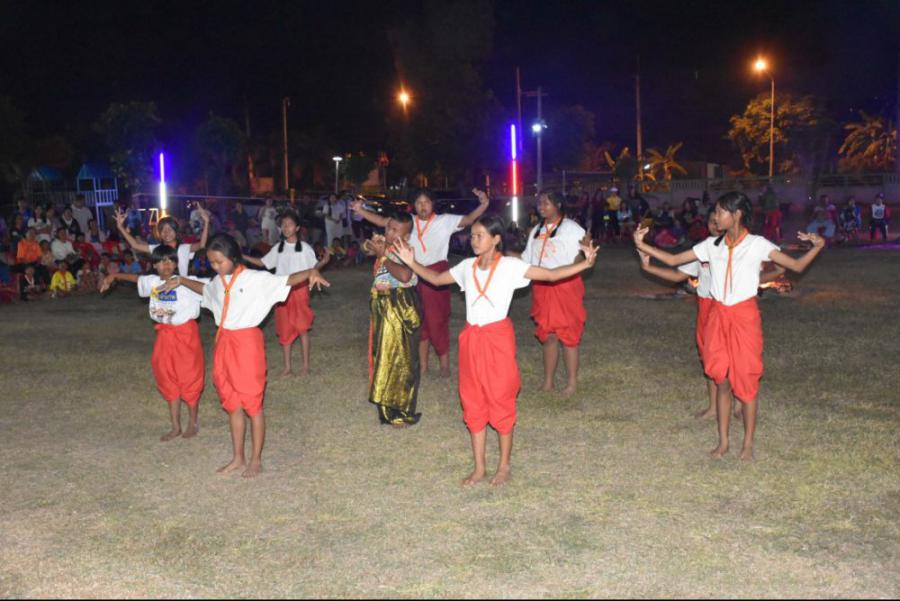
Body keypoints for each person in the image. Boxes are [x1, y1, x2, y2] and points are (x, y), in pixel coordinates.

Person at [394, 216, 598, 486]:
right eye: (472, 235)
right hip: (472, 340)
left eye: (480, 235)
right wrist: (411, 262)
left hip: (498, 339)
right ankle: (479, 468)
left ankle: (504, 466)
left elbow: (550, 275)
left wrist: (585, 263)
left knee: (501, 398)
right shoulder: (466, 267)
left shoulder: (510, 267)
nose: (473, 240)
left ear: (496, 239)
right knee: (472, 399)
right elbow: (436, 278)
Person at [633, 191, 825, 461]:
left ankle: (747, 444)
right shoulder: (711, 246)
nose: (715, 216)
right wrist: (642, 245)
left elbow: (795, 265)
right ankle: (723, 442)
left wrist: (817, 247)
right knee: (720, 380)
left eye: (721, 211)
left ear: (737, 214)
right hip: (718, 316)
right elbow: (675, 261)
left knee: (746, 381)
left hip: (744, 317)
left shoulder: (757, 244)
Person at [158, 233, 329, 478]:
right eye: (212, 263)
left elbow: (286, 280)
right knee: (232, 404)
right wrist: (182, 281)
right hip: (224, 344)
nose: (215, 267)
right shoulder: (218, 282)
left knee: (252, 404)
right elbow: (205, 290)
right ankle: (238, 457)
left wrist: (311, 272)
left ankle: (256, 459)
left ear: (233, 257)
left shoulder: (254, 279)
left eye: (219, 261)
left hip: (247, 345)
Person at [637, 211, 785, 419]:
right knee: (710, 357)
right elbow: (677, 274)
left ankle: (739, 403)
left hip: (730, 307)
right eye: (711, 221)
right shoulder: (704, 249)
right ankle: (714, 407)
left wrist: (768, 275)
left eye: (718, 219)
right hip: (707, 307)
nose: (715, 224)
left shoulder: (740, 248)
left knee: (737, 355)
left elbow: (760, 274)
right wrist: (647, 266)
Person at [352, 188, 490, 377]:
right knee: (418, 319)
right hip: (413, 271)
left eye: (426, 202)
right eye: (418, 202)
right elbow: (383, 221)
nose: (422, 206)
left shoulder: (444, 220)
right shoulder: (408, 223)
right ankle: (423, 365)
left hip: (436, 272)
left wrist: (483, 204)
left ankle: (444, 364)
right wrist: (360, 210)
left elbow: (468, 220)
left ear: (433, 204)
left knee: (437, 319)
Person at [101, 245, 208, 440]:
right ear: (154, 265)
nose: (166, 265)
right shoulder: (153, 282)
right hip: (164, 335)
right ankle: (175, 426)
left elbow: (212, 288)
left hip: (186, 335)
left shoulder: (188, 282)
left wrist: (184, 281)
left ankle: (193, 422)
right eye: (161, 261)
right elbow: (136, 279)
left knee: (189, 376)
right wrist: (113, 276)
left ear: (176, 263)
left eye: (170, 261)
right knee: (166, 376)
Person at [243, 209, 331, 377]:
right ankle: (287, 367)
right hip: (281, 292)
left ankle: (306, 366)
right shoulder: (279, 248)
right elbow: (262, 263)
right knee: (285, 329)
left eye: (289, 224)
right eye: (283, 225)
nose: (285, 227)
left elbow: (313, 268)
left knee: (302, 328)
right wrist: (242, 256)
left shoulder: (305, 248)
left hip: (299, 291)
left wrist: (324, 262)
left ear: (297, 228)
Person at [521, 191, 590, 396]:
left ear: (558, 204)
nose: (541, 206)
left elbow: (582, 255)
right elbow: (526, 259)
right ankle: (548, 382)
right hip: (542, 287)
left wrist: (578, 262)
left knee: (569, 336)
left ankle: (571, 383)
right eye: (539, 202)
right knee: (548, 335)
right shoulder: (536, 230)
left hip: (566, 286)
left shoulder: (571, 228)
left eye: (546, 202)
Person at [363, 214, 422, 426]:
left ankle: (400, 408)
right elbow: (366, 249)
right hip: (383, 305)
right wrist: (373, 246)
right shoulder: (385, 246)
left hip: (399, 304)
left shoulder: (406, 250)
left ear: (406, 236)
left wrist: (383, 257)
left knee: (402, 358)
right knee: (384, 355)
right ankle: (387, 408)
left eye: (395, 230)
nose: (389, 232)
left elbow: (405, 276)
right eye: (388, 228)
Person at [115, 206, 209, 277]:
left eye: (170, 229)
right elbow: (135, 245)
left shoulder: (184, 248)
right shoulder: (157, 249)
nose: (166, 232)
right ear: (159, 233)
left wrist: (206, 222)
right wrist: (120, 227)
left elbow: (202, 244)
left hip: (181, 289)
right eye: (163, 230)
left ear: (176, 231)